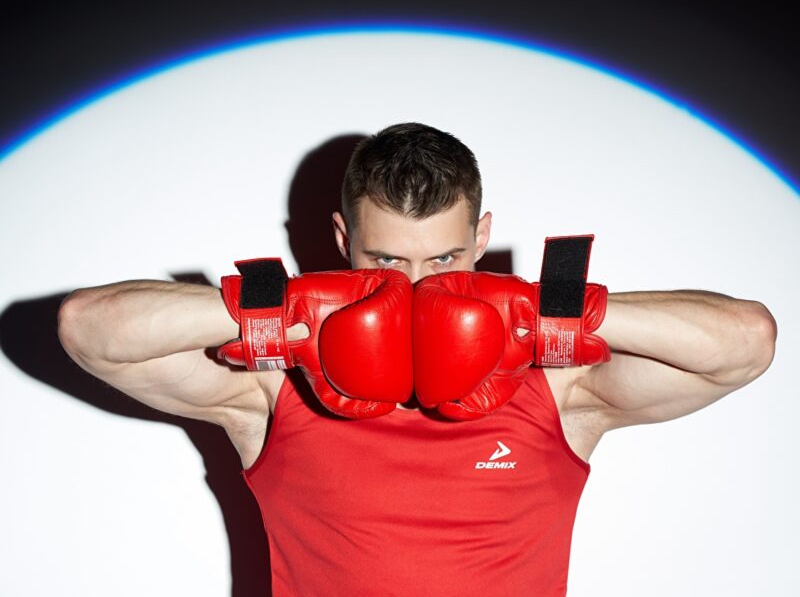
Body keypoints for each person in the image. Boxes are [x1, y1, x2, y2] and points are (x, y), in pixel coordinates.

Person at [57, 122, 777, 596]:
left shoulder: (556, 386)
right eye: (386, 260)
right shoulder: (277, 391)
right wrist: (287, 313)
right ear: (343, 240)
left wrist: (541, 313)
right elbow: (89, 329)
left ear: (481, 236)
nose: (417, 285)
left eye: (444, 259)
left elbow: (746, 343)